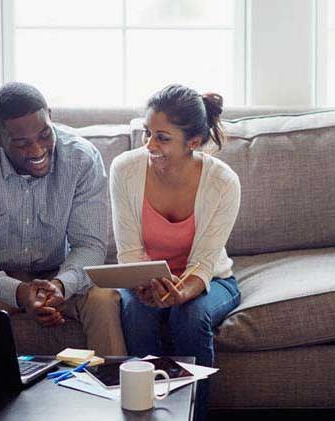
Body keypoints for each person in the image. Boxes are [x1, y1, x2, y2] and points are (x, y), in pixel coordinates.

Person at [0, 82, 126, 356]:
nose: (37, 150)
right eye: (22, 143)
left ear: (50, 116)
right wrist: (18, 292)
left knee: (103, 297)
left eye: (44, 134)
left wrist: (62, 285)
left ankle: (112, 393)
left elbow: (89, 246)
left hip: (56, 276)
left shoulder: (82, 159)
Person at [110, 84, 241, 420]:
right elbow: (129, 251)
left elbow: (204, 262)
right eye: (147, 133)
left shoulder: (223, 182)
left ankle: (194, 414)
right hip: (144, 276)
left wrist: (179, 292)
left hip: (208, 278)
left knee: (191, 316)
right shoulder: (124, 169)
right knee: (139, 313)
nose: (149, 145)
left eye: (162, 138)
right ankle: (144, 413)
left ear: (193, 142)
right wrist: (146, 284)